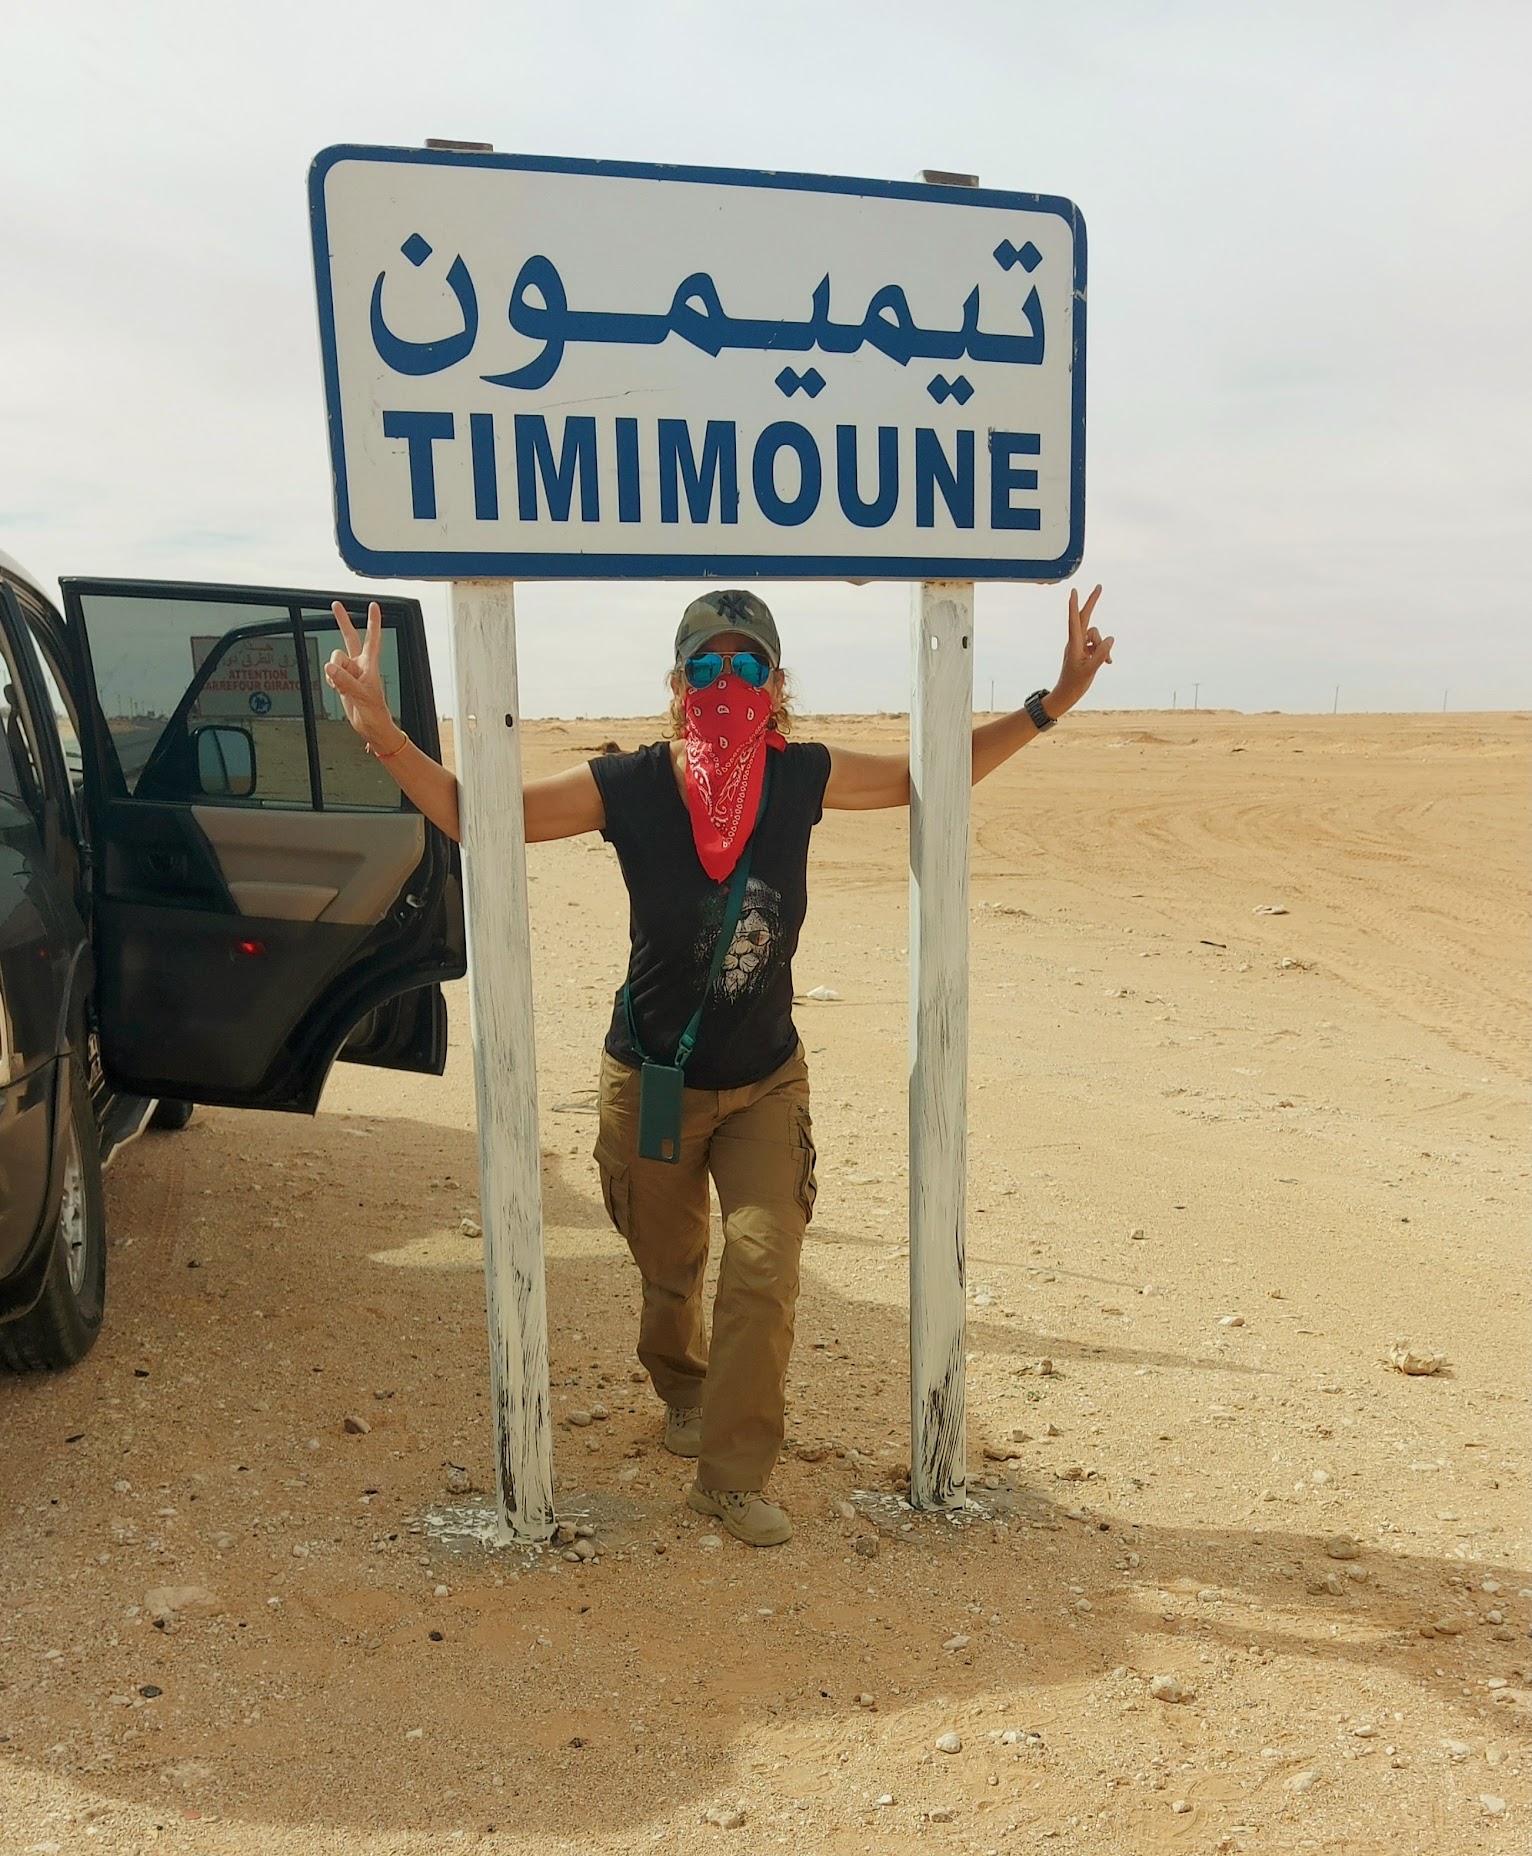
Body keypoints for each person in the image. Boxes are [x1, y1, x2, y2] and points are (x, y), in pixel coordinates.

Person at [325, 585, 1112, 1546]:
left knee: (764, 1263)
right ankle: (680, 1382)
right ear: (676, 683)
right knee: (669, 1267)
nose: (726, 682)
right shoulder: (632, 785)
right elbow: (480, 816)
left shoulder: (802, 777)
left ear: (777, 684)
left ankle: (730, 1476)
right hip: (651, 1074)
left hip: (764, 1082)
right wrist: (381, 733)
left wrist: (1053, 702)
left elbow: (931, 774)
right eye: (707, 666)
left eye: (748, 665)